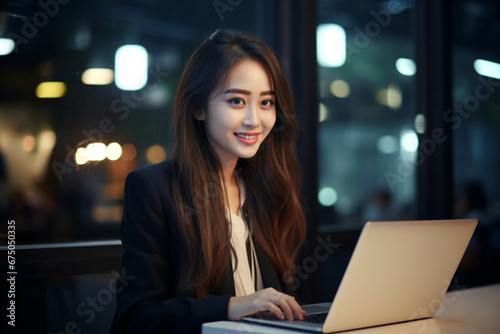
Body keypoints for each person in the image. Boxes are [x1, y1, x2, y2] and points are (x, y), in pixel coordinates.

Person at [110, 29, 307, 334]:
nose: (254, 120)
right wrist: (233, 306)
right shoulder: (154, 189)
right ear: (198, 108)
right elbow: (138, 318)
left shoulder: (265, 189)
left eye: (266, 103)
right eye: (237, 101)